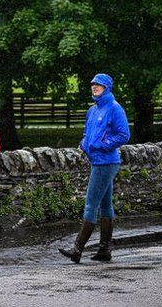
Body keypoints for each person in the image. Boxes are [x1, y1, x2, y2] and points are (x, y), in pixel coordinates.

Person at [59, 73, 130, 263]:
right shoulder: (92, 110)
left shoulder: (115, 109)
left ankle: (77, 249)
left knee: (91, 204)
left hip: (106, 162)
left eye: (98, 85)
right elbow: (86, 132)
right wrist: (84, 142)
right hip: (96, 161)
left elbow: (124, 135)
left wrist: (101, 144)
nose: (94, 87)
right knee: (106, 205)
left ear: (107, 87)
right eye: (92, 84)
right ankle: (104, 250)